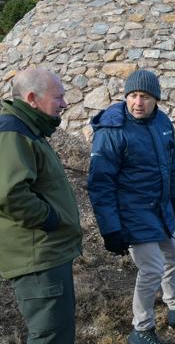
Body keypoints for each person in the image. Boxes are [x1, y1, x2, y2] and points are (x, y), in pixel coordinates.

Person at [87, 69, 175, 344]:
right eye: (132, 95)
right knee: (152, 268)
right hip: (132, 212)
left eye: (144, 96)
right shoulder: (112, 131)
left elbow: (171, 164)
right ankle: (141, 329)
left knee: (172, 256)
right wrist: (111, 229)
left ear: (156, 99)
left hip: (159, 209)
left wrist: (174, 197)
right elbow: (100, 183)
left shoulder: (162, 122)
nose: (137, 102)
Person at [0, 68, 82, 344]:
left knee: (57, 333)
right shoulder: (12, 132)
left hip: (45, 253)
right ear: (32, 98)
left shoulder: (28, 129)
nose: (65, 103)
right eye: (58, 96)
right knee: (51, 337)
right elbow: (10, 194)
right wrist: (50, 218)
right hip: (38, 254)